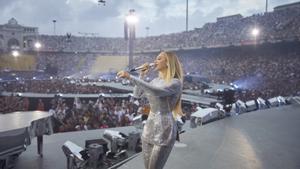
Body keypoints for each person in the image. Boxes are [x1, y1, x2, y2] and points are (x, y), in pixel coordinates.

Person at [117, 51, 184, 169]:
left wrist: (130, 77)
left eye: (158, 59)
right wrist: (141, 75)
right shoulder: (155, 81)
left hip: (164, 129)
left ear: (168, 63)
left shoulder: (175, 82)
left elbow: (156, 92)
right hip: (149, 126)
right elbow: (137, 94)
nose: (154, 62)